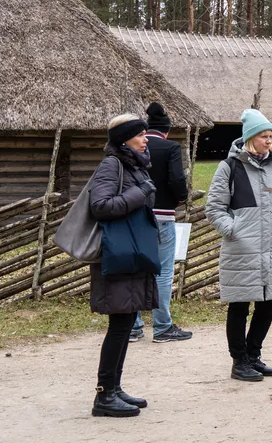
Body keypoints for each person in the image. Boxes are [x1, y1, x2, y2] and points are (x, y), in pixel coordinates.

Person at [205, 108, 272, 383]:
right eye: (264, 136)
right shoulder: (230, 167)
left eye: (271, 136)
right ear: (251, 138)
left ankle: (254, 354)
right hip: (242, 248)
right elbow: (214, 207)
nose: (269, 141)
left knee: (268, 303)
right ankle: (239, 361)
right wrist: (233, 229)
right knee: (239, 305)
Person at [88, 114, 160, 417]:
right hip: (118, 255)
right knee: (119, 326)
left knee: (127, 322)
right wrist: (139, 192)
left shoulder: (132, 165)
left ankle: (114, 388)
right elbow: (100, 207)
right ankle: (104, 395)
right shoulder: (112, 165)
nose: (146, 139)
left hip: (133, 253)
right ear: (124, 139)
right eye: (141, 134)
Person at [130, 102, 193, 344]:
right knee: (163, 272)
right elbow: (177, 178)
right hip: (164, 215)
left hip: (137, 215)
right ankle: (162, 326)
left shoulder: (134, 147)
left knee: (135, 270)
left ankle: (134, 327)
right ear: (165, 131)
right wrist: (181, 197)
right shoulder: (170, 148)